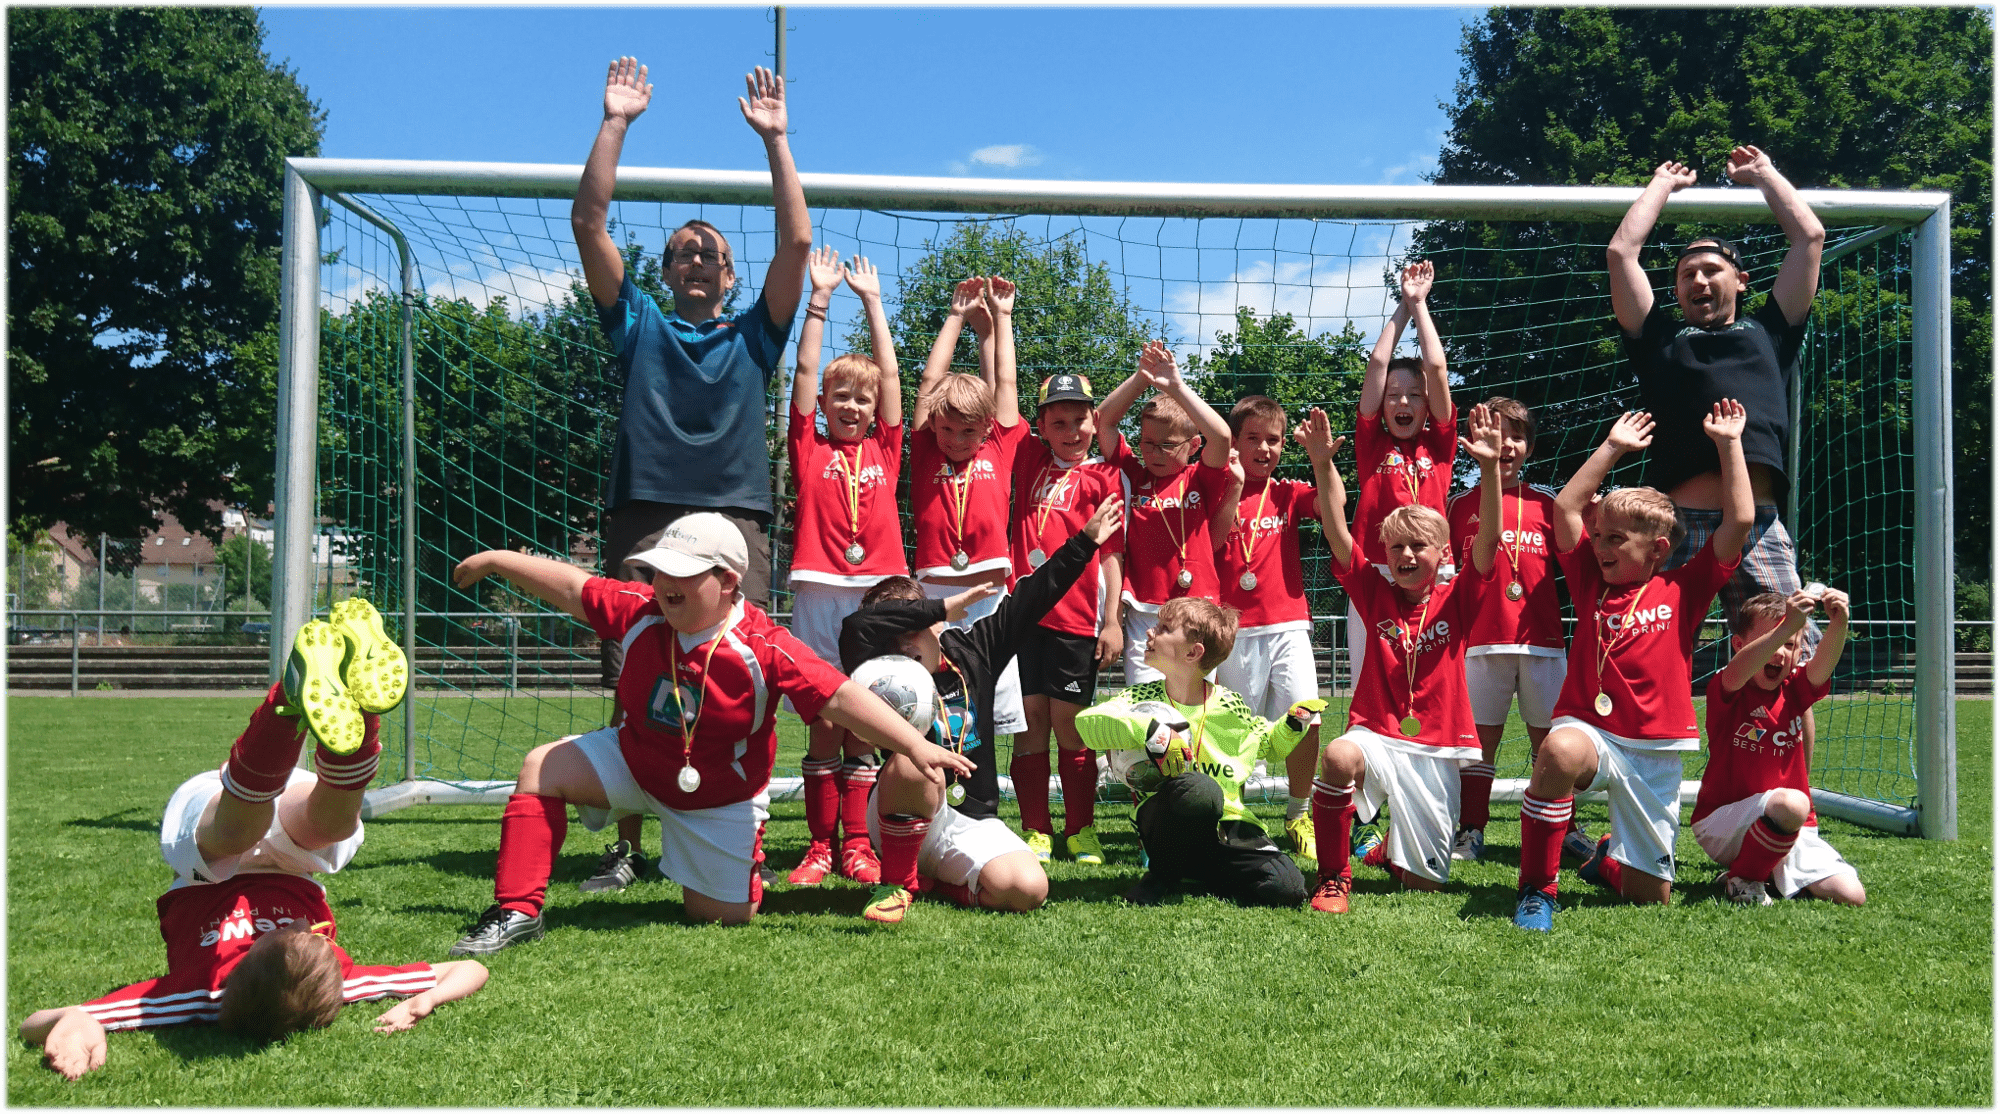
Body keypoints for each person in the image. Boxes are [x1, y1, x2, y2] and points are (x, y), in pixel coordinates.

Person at [445, 513, 974, 954]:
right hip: (635, 761)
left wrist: (914, 744)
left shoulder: (765, 645)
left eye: (684, 574)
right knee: (543, 765)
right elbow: (571, 586)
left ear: (726, 581)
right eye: (659, 572)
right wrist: (497, 561)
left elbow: (840, 697)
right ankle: (516, 910)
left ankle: (738, 861)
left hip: (719, 798)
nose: (665, 585)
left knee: (722, 917)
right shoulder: (639, 611)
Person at [20, 603, 487, 1080]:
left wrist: (74, 1019)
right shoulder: (343, 980)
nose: (302, 926)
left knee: (235, 835)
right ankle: (358, 710)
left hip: (210, 856)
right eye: (311, 933)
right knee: (330, 828)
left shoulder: (198, 992)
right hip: (294, 861)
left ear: (240, 966)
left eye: (282, 935)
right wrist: (422, 1001)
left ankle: (286, 703)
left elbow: (30, 1022)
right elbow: (470, 969)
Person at [573, 58, 813, 889]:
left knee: (739, 671)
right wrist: (617, 121)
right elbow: (589, 223)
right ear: (668, 271)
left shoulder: (758, 335)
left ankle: (731, 823)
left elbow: (799, 243)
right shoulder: (638, 325)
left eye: (712, 251)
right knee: (639, 678)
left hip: (735, 514)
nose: (699, 259)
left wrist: (776, 142)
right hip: (647, 513)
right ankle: (627, 847)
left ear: (731, 273)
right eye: (683, 252)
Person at [1511, 403, 1753, 932]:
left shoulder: (1683, 588)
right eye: (1599, 537)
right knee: (1556, 749)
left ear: (1658, 548)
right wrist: (1613, 447)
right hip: (1589, 730)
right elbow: (1567, 509)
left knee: (1648, 900)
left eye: (1615, 539)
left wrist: (1730, 445)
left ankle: (1609, 862)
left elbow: (1739, 521)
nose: (1600, 547)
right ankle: (1537, 890)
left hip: (1655, 748)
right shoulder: (1588, 582)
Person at [838, 498, 1126, 923]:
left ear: (936, 629)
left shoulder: (974, 650)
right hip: (902, 808)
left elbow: (1034, 596)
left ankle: (943, 883)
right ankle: (897, 884)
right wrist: (934, 608)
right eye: (892, 637)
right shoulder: (878, 672)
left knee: (1029, 888)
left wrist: (1083, 542)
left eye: (911, 633)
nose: (902, 647)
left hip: (971, 819)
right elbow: (854, 629)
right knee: (915, 762)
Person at [1607, 146, 1825, 633]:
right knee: (1639, 645)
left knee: (1787, 654)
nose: (1698, 280)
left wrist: (1765, 174)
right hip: (1675, 526)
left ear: (1742, 281)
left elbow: (1809, 237)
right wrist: (1661, 185)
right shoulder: (1659, 341)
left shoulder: (1770, 332)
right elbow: (1621, 254)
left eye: (1711, 271)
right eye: (1687, 275)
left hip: (1757, 524)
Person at [1300, 406, 1501, 913]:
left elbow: (1491, 542)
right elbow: (1336, 534)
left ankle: (1391, 851)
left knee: (1424, 885)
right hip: (1376, 734)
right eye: (1396, 548)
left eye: (1419, 547)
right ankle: (1333, 878)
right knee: (1339, 755)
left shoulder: (1459, 598)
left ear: (1443, 550)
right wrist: (1323, 463)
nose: (1406, 556)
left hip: (1435, 746)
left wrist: (1492, 469)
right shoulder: (1373, 591)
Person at [784, 247, 908, 887]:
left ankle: (859, 843)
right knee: (824, 719)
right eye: (842, 397)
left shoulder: (887, 447)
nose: (855, 407)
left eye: (863, 399)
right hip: (820, 590)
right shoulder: (808, 447)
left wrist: (874, 303)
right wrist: (822, 300)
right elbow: (804, 371)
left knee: (865, 716)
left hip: (878, 595)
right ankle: (818, 846)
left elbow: (890, 377)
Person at [1075, 598, 1321, 909]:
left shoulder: (1230, 704)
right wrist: (1149, 729)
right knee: (1200, 790)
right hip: (1166, 819)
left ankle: (1201, 873)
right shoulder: (1140, 699)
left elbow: (1266, 746)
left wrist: (1293, 724)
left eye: (1164, 629)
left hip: (1229, 825)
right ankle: (1162, 873)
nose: (1150, 632)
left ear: (1193, 652)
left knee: (1289, 889)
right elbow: (1087, 725)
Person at [1442, 396, 1591, 864]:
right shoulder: (1456, 506)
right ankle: (1471, 828)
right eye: (1495, 432)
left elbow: (1583, 564)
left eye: (1517, 435)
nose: (1506, 444)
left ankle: (1562, 826)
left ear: (1529, 446)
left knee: (1549, 743)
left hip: (1543, 644)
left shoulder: (1548, 504)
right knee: (1478, 744)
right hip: (1479, 643)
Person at [908, 275, 1029, 767]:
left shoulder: (1000, 444)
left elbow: (1005, 384)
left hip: (991, 593)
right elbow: (928, 387)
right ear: (935, 424)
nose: (956, 439)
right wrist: (955, 317)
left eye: (968, 431)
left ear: (987, 429)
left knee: (995, 704)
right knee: (941, 699)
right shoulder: (923, 450)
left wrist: (1002, 318)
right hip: (936, 593)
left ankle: (985, 793)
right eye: (948, 429)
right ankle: (938, 786)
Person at [1008, 372, 1126, 865]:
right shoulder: (1029, 457)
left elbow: (1113, 554)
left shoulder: (1103, 476)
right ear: (1041, 426)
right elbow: (1002, 396)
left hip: (1076, 619)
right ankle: (1036, 828)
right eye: (1059, 421)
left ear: (1093, 420)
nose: (1072, 431)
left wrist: (1113, 619)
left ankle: (1080, 830)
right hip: (1022, 616)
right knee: (1028, 721)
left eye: (1080, 420)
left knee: (1070, 726)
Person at [1207, 397, 1332, 859]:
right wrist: (1235, 490)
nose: (1264, 448)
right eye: (1252, 438)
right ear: (1234, 443)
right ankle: (1231, 813)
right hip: (1232, 630)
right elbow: (1212, 541)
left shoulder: (1289, 492)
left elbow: (1332, 505)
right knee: (1230, 730)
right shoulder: (1217, 487)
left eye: (1273, 440)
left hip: (1287, 626)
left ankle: (1298, 814)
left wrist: (1322, 463)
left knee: (1308, 716)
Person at [1687, 589, 1864, 906]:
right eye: (1770, 640)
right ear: (1740, 645)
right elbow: (1740, 670)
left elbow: (1822, 666)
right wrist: (1786, 626)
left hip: (1788, 823)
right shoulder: (1727, 687)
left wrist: (1839, 623)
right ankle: (1744, 878)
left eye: (1790, 644)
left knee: (1851, 895)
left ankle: (1761, 867)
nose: (1780, 652)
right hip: (1722, 822)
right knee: (1793, 803)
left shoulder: (1795, 689)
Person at [1094, 340, 1234, 686]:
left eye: (1168, 445)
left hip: (1197, 610)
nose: (1155, 453)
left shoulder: (1201, 478)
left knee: (1195, 707)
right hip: (1146, 612)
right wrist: (1142, 378)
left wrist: (1177, 387)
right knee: (1147, 710)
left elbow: (1222, 436)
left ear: (1193, 445)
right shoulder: (1133, 475)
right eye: (1147, 443)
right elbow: (1104, 421)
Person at [1349, 260, 1456, 689]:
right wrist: (1402, 307)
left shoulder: (1441, 445)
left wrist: (1421, 306)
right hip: (1376, 569)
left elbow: (1437, 371)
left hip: (1436, 568)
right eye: (1393, 396)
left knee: (1434, 679)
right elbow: (1377, 364)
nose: (1402, 402)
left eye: (1414, 395)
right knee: (1371, 677)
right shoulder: (1372, 444)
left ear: (1428, 408)